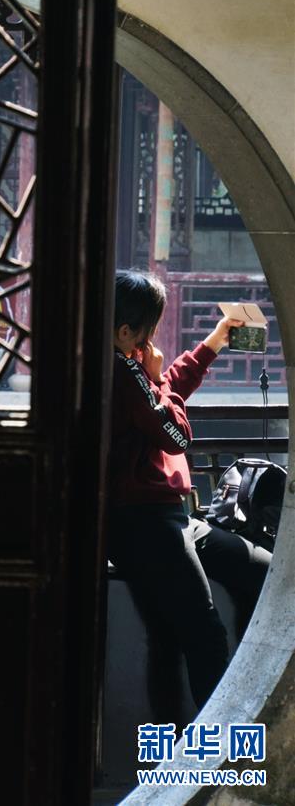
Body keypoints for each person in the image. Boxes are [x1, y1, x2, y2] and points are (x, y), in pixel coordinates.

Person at [108, 269, 272, 711]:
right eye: (149, 331)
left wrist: (213, 343)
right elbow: (176, 435)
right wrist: (158, 381)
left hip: (170, 517)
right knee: (203, 633)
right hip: (145, 522)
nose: (151, 340)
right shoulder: (123, 372)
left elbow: (162, 393)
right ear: (125, 332)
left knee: (263, 572)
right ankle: (217, 739)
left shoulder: (128, 369)